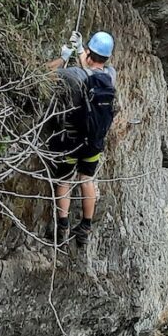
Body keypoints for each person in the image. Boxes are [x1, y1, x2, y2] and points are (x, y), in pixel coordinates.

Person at [45, 30, 117, 246]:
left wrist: (64, 57)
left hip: (71, 138)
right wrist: (80, 51)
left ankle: (63, 225)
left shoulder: (72, 75)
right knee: (86, 179)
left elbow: (44, 75)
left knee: (64, 180)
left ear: (89, 53)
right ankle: (85, 226)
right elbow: (91, 72)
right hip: (94, 140)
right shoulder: (110, 75)